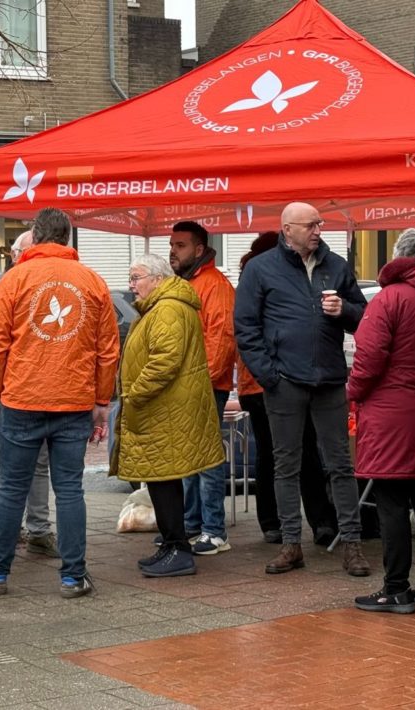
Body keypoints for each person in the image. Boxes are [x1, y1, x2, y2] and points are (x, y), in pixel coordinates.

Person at [0, 209, 118, 598]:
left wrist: (1, 389)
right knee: (70, 489)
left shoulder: (14, 279)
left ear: (36, 237)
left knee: (12, 487)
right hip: (73, 400)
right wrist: (101, 399)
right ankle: (73, 577)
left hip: (22, 398)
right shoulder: (92, 281)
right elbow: (108, 349)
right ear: (68, 238)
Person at [234, 202, 371, 577]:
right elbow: (245, 327)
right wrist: (270, 375)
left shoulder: (335, 265)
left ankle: (352, 545)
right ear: (287, 229)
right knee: (286, 465)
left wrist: (344, 310)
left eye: (319, 224)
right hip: (285, 382)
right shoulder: (261, 269)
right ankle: (291, 544)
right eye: (310, 225)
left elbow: (364, 317)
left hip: (329, 380)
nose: (318, 230)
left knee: (341, 465)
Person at [349, 228, 415, 613]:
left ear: (400, 255)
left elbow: (369, 357)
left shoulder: (389, 298)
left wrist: (353, 391)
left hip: (391, 414)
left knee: (392, 503)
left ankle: (396, 589)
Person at [112, 254, 224, 577]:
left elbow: (164, 361)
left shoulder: (168, 309)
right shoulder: (161, 307)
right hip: (164, 410)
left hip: (165, 411)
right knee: (163, 479)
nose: (132, 285)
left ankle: (178, 549)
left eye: (137, 278)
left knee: (164, 480)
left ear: (158, 279)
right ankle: (173, 544)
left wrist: (135, 393)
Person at [235, 231, 337, 546]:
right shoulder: (266, 278)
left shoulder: (252, 278)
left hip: (261, 383)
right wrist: (272, 375)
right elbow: (250, 331)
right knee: (300, 452)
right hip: (275, 381)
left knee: (273, 454)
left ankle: (275, 523)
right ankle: (318, 521)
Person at [0, 230, 57, 559]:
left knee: (39, 463)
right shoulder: (3, 287)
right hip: (5, 389)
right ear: (15, 255)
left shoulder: (37, 283)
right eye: (31, 251)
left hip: (35, 389)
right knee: (3, 462)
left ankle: (38, 530)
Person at [168, 221, 236, 556]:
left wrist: (200, 382)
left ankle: (214, 530)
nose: (173, 252)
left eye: (180, 246)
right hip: (190, 384)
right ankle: (193, 522)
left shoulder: (214, 285)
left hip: (206, 385)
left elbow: (222, 338)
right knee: (190, 457)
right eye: (172, 245)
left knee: (207, 459)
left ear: (198, 249)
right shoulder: (188, 283)